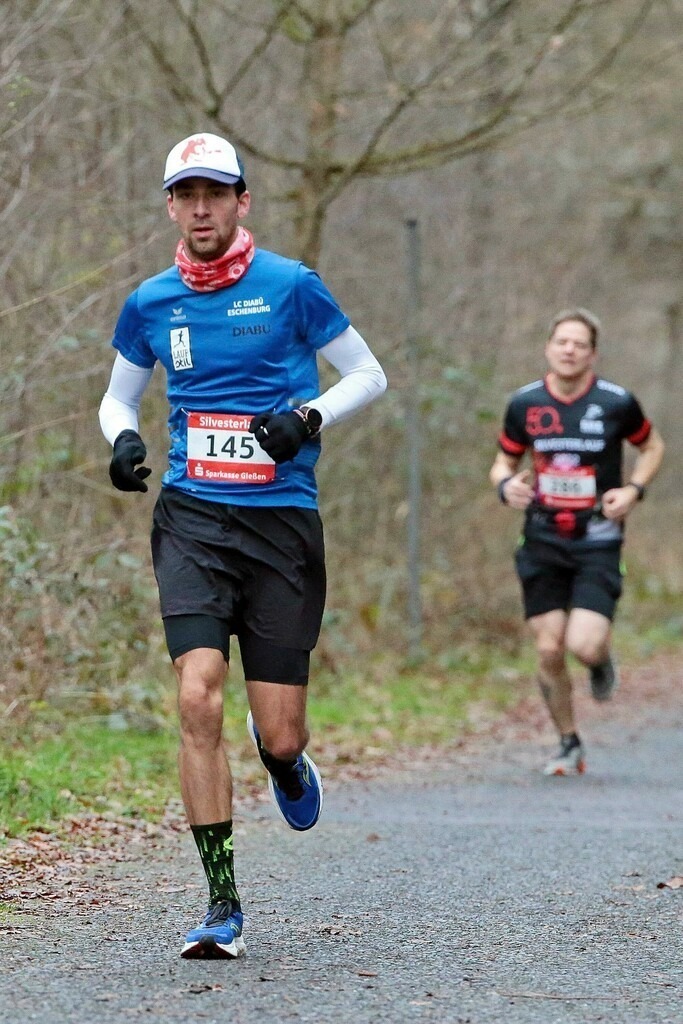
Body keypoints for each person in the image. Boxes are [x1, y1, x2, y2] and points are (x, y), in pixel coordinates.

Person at [98, 132, 387, 958]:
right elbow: (117, 400)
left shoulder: (291, 286)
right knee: (197, 693)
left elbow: (368, 374)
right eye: (185, 195)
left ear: (241, 202)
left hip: (279, 525)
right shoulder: (152, 302)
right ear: (170, 206)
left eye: (214, 194)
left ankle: (287, 763)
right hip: (192, 519)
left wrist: (307, 418)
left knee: (280, 733)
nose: (199, 209)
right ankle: (220, 904)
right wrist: (121, 441)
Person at [489, 308, 664, 777]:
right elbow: (503, 463)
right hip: (542, 538)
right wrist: (507, 487)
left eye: (579, 344)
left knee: (582, 645)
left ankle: (601, 662)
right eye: (561, 342)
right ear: (548, 348)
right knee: (549, 648)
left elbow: (652, 446)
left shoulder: (616, 402)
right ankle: (568, 741)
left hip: (598, 539)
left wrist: (634, 490)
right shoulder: (524, 403)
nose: (569, 350)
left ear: (593, 353)